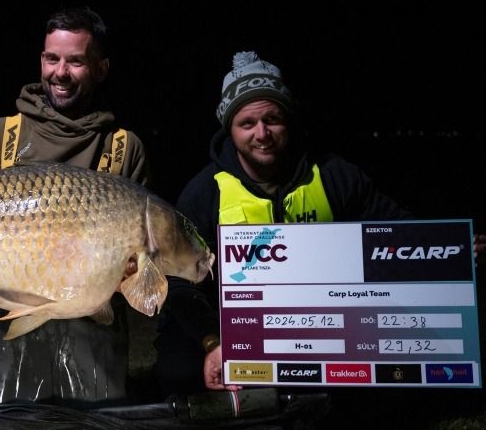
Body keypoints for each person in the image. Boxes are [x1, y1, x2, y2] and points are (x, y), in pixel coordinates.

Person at [154, 50, 423, 396]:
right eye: (247, 124)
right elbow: (177, 284)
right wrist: (211, 342)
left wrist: (453, 248)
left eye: (273, 119)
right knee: (178, 371)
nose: (262, 134)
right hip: (228, 325)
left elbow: (394, 227)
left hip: (317, 320)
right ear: (230, 130)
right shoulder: (205, 192)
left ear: (289, 119)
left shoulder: (333, 175)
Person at [0, 7, 149, 407]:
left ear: (101, 67)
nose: (60, 72)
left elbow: (139, 257)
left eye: (76, 61)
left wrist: (132, 268)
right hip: (8, 314)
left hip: (90, 324)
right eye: (51, 58)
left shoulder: (124, 148)